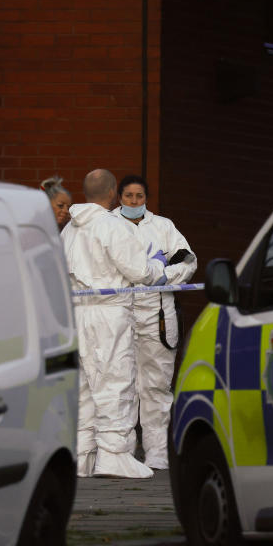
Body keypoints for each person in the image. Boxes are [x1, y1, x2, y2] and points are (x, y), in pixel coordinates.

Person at [61, 169, 168, 478]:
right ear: (111, 194)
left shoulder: (69, 230)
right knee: (114, 381)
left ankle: (83, 455)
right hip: (108, 313)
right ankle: (114, 454)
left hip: (76, 312)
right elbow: (140, 272)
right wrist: (157, 264)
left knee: (84, 387)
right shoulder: (110, 226)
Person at [112, 175, 196, 470]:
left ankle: (157, 455)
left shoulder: (163, 227)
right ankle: (119, 454)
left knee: (156, 386)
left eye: (139, 196)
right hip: (118, 313)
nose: (134, 202)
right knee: (119, 385)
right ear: (118, 197)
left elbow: (188, 262)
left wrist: (163, 277)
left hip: (157, 316)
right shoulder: (107, 225)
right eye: (129, 196)